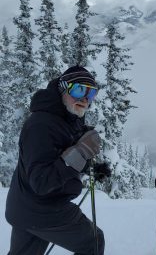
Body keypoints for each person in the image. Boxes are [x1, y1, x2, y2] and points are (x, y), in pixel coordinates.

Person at [5, 65, 110, 255]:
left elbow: (60, 155)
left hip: (24, 207)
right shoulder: (41, 125)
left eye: (91, 92)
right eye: (78, 89)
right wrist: (81, 153)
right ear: (62, 88)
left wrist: (90, 167)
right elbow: (42, 181)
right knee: (92, 242)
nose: (85, 98)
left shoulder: (66, 117)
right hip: (45, 209)